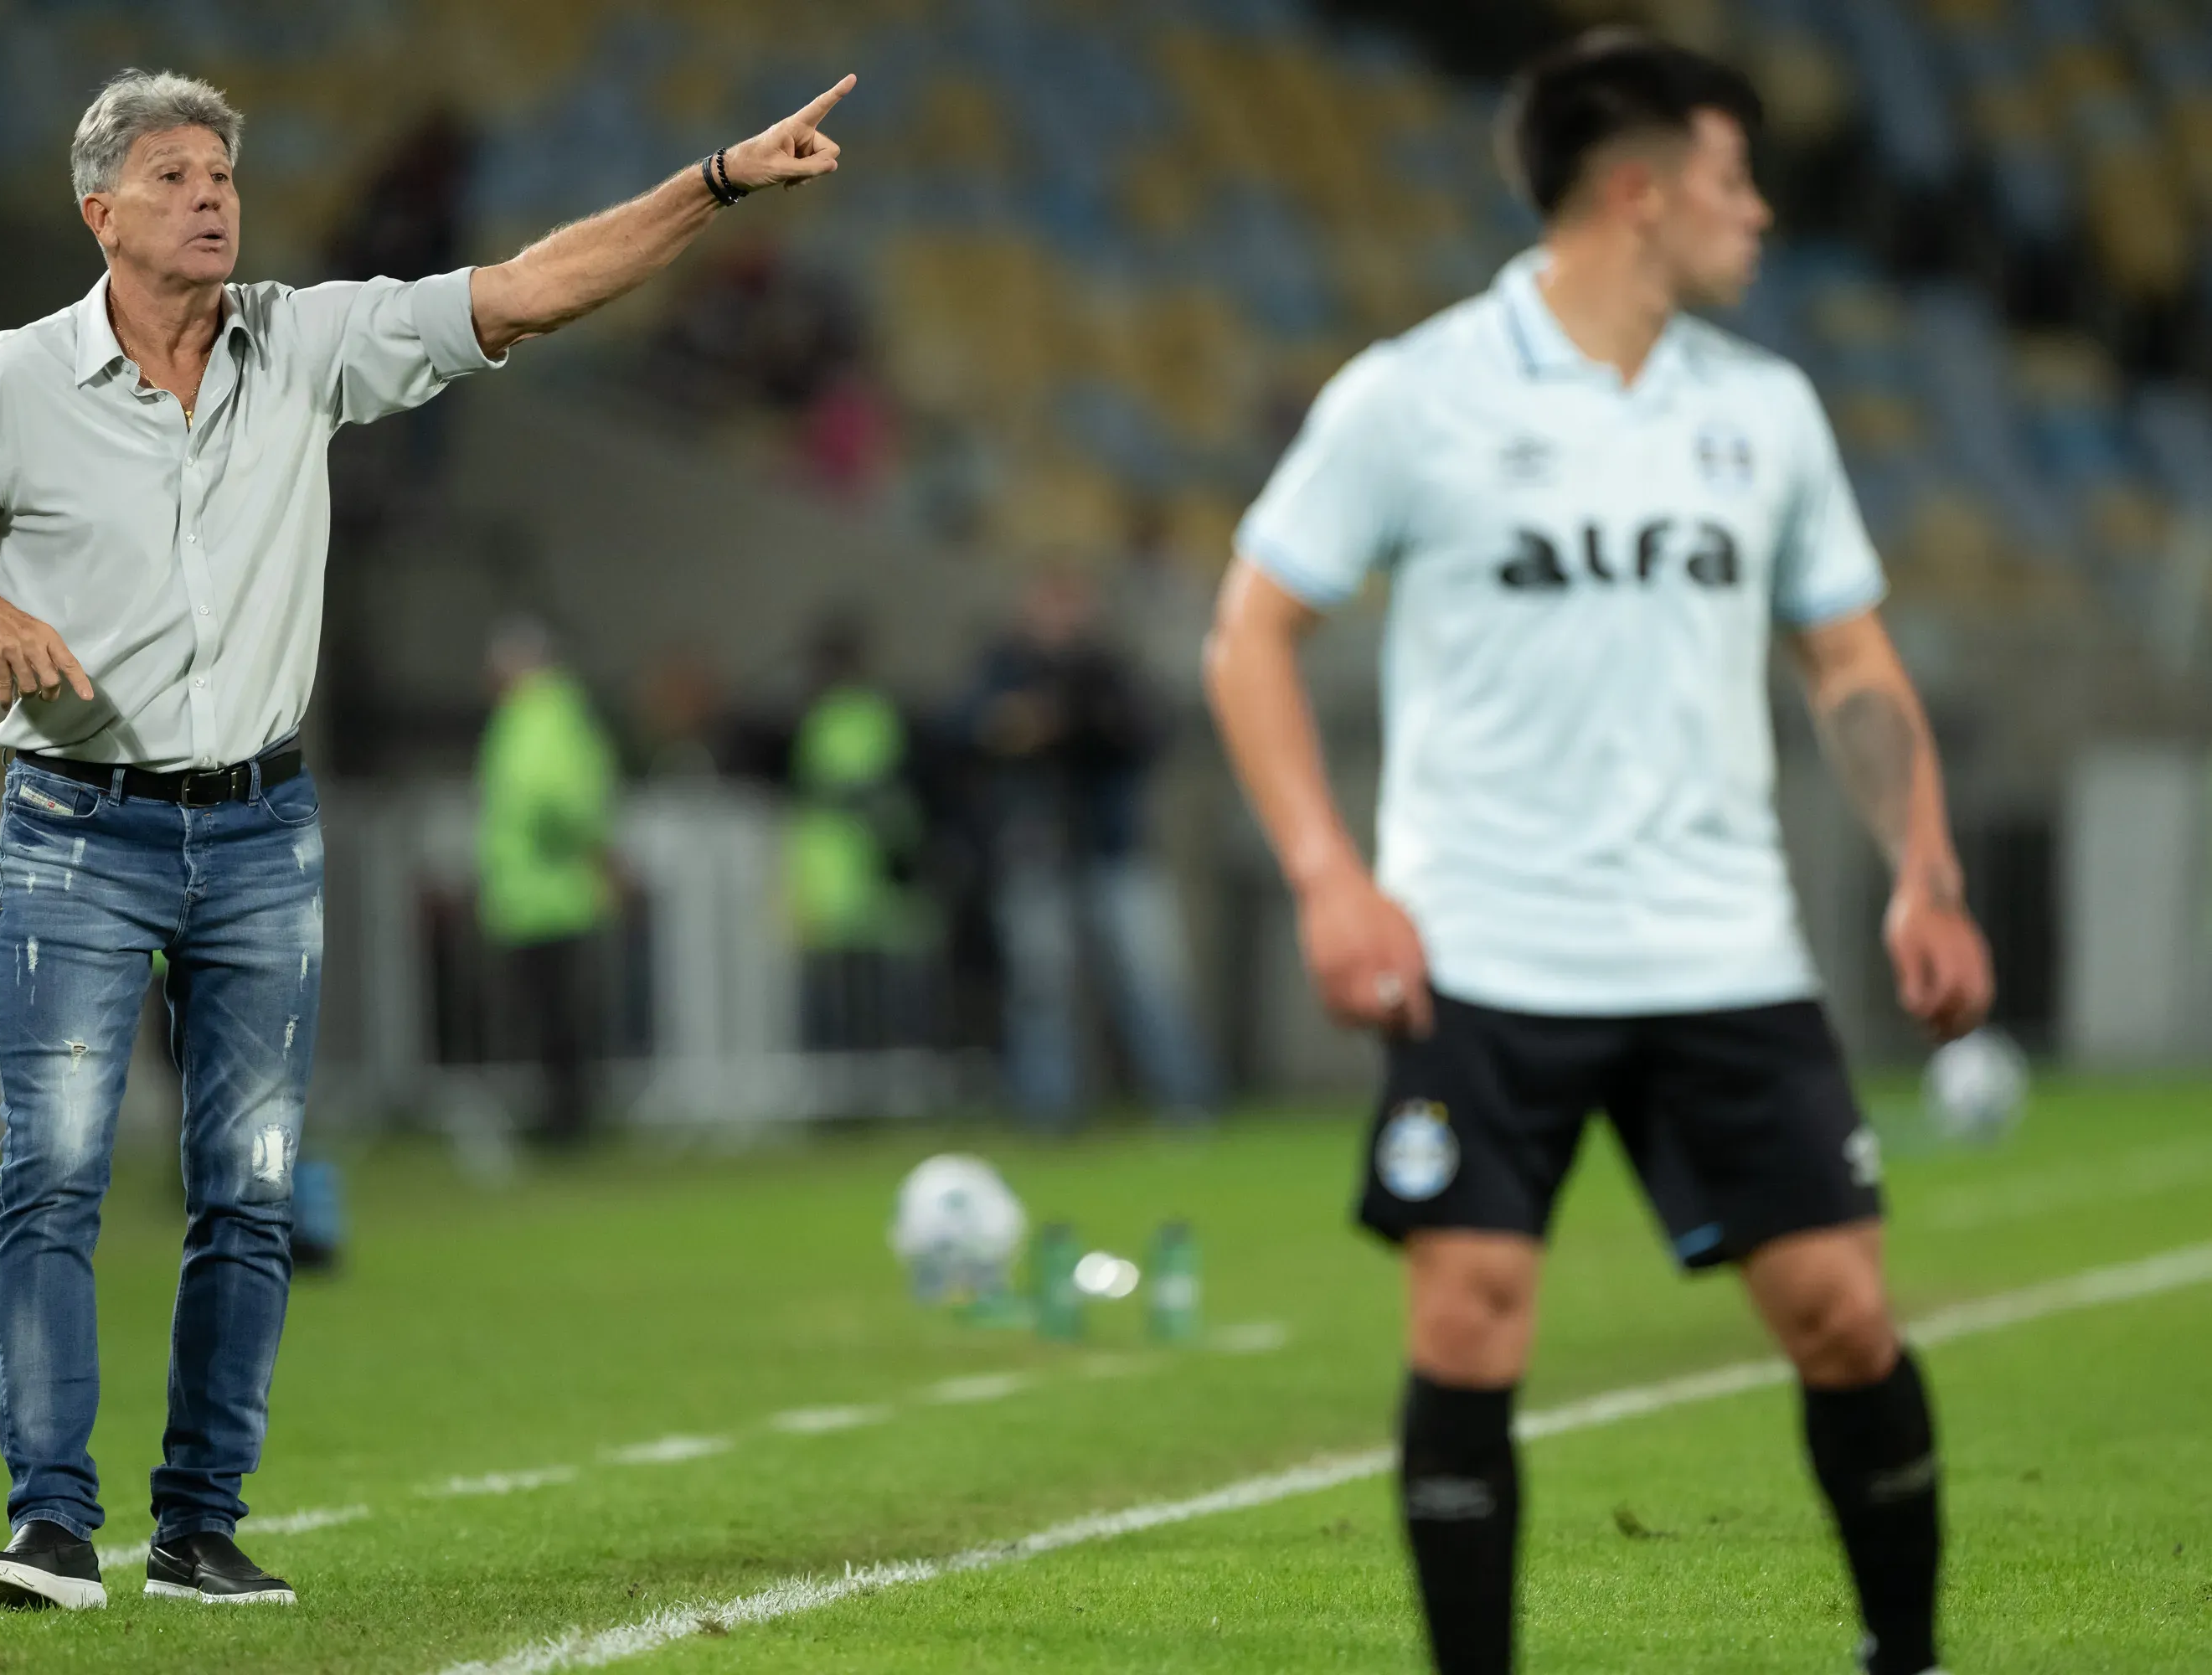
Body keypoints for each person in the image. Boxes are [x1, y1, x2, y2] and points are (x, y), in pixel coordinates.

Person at [0, 64, 855, 1611]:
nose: (209, 197)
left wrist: (710, 182)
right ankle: (48, 1522)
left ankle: (197, 1528)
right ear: (99, 212)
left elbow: (529, 288)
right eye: (172, 177)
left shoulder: (303, 343)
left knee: (249, 1189)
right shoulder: (12, 385)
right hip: (76, 833)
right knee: (52, 1178)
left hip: (258, 830)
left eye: (222, 175)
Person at [1204, 34, 1990, 1675]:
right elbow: (1250, 632)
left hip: (1722, 949)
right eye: (1730, 180)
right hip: (1489, 950)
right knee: (1468, 1315)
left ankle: (1904, 1656)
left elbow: (1848, 663)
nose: (1759, 215)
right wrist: (1327, 875)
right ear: (1636, 194)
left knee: (1842, 1314)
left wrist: (1924, 868)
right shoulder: (1414, 394)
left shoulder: (1765, 412)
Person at [961, 569, 1215, 1127]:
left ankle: (1188, 1102)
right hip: (1037, 848)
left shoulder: (1110, 671)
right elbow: (965, 732)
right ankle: (1047, 1112)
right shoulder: (1003, 668)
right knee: (1041, 990)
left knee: (1149, 983)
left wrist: (1070, 722)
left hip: (1113, 847)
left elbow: (1149, 733)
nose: (1060, 621)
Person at [476, 616, 619, 1149]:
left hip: (545, 896)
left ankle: (565, 1125)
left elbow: (550, 799)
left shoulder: (537, 716)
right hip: (545, 893)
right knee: (556, 1020)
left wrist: (576, 844)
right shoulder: (553, 714)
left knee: (554, 1021)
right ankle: (564, 1120)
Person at [786, 613, 925, 1053]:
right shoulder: (823, 716)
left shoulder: (861, 714)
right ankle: (844, 1076)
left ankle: (873, 1072)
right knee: (834, 986)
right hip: (832, 872)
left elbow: (864, 786)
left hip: (862, 869)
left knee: (869, 985)